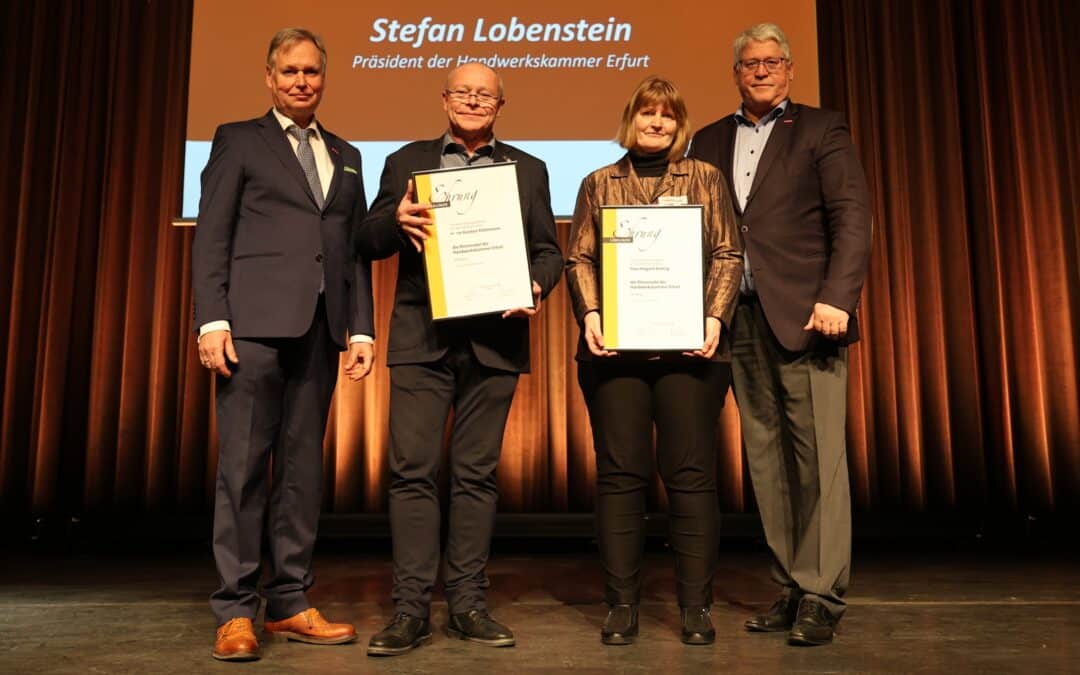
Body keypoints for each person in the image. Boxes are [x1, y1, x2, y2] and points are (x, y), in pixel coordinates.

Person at [357, 63, 563, 656]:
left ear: (501, 105)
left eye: (485, 95)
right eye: (463, 92)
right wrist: (394, 222)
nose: (473, 101)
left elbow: (548, 252)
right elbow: (366, 239)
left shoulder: (529, 168)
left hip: (495, 341)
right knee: (412, 473)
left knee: (476, 476)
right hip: (422, 338)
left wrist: (535, 284)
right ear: (445, 99)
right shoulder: (406, 162)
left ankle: (469, 604)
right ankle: (410, 609)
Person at [192, 28, 375, 661]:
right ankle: (235, 611)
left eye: (312, 72)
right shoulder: (238, 139)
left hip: (321, 331)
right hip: (251, 329)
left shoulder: (347, 153)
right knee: (243, 471)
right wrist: (211, 320)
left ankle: (290, 601)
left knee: (302, 474)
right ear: (270, 77)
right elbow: (211, 236)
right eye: (290, 71)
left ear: (324, 78)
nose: (302, 81)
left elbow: (352, 250)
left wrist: (360, 327)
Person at [689, 22, 873, 646]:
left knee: (818, 459)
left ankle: (823, 593)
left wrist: (838, 297)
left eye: (772, 61)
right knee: (766, 460)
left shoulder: (821, 129)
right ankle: (792, 583)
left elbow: (851, 217)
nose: (762, 70)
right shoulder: (708, 139)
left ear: (790, 69)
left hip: (807, 316)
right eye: (750, 63)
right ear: (736, 73)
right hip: (736, 319)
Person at [565, 75, 743, 646]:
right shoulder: (598, 182)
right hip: (615, 351)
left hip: (691, 350)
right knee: (620, 476)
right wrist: (591, 313)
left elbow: (728, 252)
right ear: (631, 120)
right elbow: (579, 258)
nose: (657, 123)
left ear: (679, 124)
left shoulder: (706, 178)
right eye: (647, 113)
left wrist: (714, 317)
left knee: (690, 476)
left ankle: (695, 607)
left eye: (667, 115)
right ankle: (621, 606)